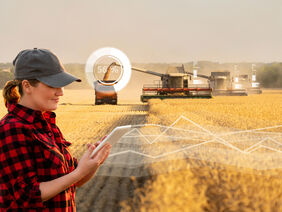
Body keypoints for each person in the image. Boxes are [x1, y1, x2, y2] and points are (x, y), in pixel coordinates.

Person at [0, 48, 112, 211]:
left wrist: (94, 162)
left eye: (62, 85)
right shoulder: (11, 129)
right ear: (27, 86)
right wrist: (79, 172)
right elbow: (27, 196)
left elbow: (73, 180)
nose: (61, 92)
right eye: (53, 85)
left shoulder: (46, 124)